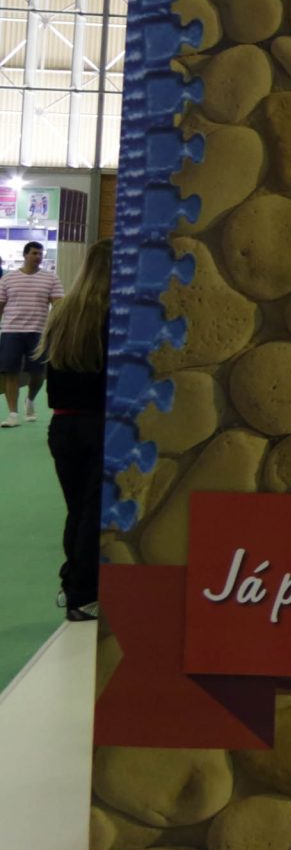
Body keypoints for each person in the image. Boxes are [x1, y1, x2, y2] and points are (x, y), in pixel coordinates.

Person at [39, 246, 108, 621]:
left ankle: (72, 586)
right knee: (93, 514)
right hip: (99, 425)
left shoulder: (63, 313)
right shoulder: (113, 316)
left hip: (62, 425)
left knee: (78, 510)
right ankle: (83, 595)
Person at [0, 240, 62, 427]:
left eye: (40, 254)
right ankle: (13, 414)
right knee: (10, 372)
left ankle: (31, 400)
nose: (38, 257)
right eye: (34, 253)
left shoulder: (51, 278)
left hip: (38, 332)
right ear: (25, 255)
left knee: (38, 373)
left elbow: (58, 305)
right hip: (11, 331)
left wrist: (57, 328)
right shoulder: (8, 279)